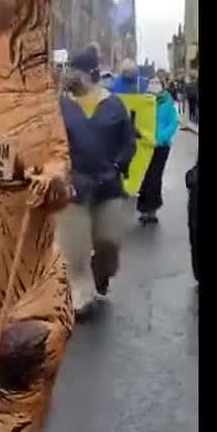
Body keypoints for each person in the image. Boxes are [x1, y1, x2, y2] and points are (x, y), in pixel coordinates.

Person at [56, 48, 136, 317]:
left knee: (108, 243)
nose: (67, 75)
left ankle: (102, 275)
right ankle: (82, 296)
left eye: (73, 70)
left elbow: (128, 143)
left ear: (89, 73)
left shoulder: (113, 105)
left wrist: (118, 165)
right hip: (74, 187)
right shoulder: (60, 105)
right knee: (74, 249)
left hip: (108, 184)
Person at [137, 77, 179, 224]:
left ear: (162, 86)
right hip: (145, 146)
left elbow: (172, 124)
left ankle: (152, 209)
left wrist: (160, 139)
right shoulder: (143, 101)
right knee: (144, 177)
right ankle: (143, 209)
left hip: (161, 147)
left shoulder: (168, 103)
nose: (153, 86)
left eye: (156, 83)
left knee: (155, 177)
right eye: (151, 83)